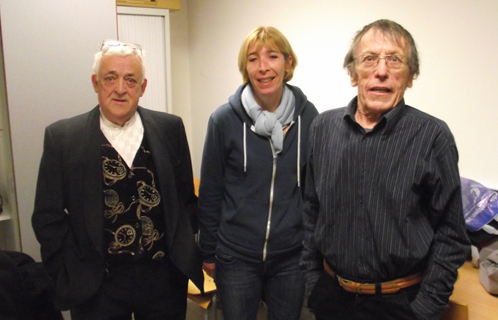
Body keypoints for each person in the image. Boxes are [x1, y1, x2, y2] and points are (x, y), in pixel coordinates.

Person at [300, 19, 470, 320]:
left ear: (410, 76)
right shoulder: (322, 129)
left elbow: (451, 236)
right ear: (353, 74)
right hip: (331, 300)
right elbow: (311, 212)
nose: (381, 71)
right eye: (369, 59)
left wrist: (424, 309)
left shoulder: (433, 137)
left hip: (400, 305)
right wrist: (314, 285)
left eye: (394, 59)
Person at [32, 40, 203, 320]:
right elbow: (47, 216)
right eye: (110, 78)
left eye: (130, 80)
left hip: (162, 279)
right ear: (96, 83)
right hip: (97, 284)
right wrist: (68, 269)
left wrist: (186, 251)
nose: (120, 89)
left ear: (143, 87)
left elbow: (186, 201)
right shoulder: (63, 138)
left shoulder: (170, 128)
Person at [197, 26, 318, 320]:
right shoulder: (223, 120)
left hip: (291, 257)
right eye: (253, 59)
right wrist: (208, 251)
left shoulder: (309, 117)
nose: (263, 67)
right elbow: (211, 190)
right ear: (245, 68)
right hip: (236, 256)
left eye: (272, 56)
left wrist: (312, 248)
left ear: (288, 63)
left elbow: (314, 191)